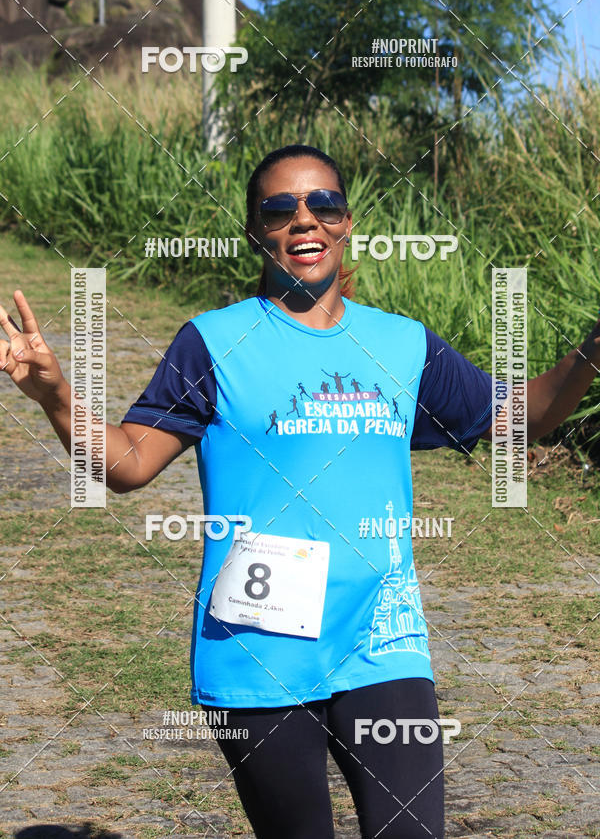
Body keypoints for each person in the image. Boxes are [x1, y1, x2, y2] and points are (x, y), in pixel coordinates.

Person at [1, 144, 598, 839]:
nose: (304, 220)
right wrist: (58, 398)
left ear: (347, 222)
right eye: (280, 209)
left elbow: (524, 415)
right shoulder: (213, 343)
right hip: (260, 647)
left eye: (324, 204)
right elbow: (129, 464)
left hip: (384, 639)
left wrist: (591, 350)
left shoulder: (403, 345)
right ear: (257, 231)